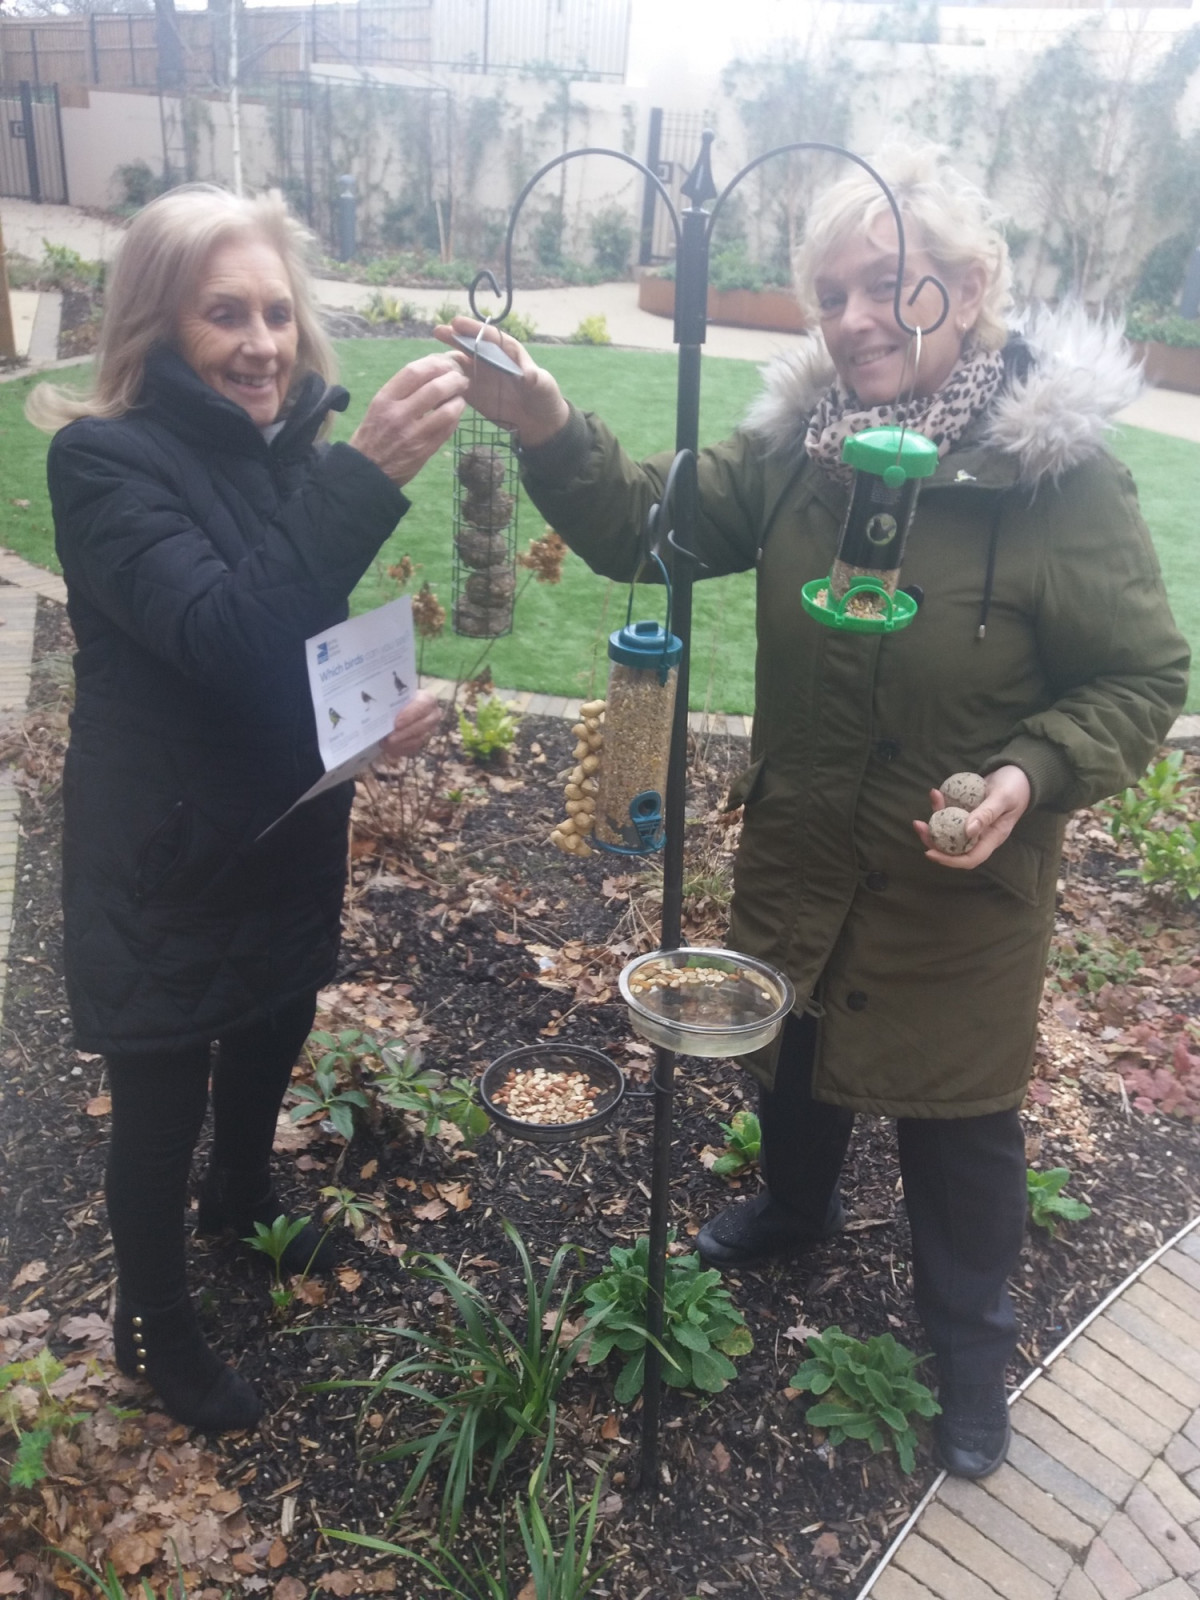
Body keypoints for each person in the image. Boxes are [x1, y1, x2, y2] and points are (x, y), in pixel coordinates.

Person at [438, 145, 1190, 1479]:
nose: (851, 318)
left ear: (965, 290)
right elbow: (644, 532)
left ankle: (968, 1345)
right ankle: (795, 1210)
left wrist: (1028, 774)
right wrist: (547, 420)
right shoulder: (802, 455)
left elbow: (1141, 674)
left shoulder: (1058, 482)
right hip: (804, 841)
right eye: (830, 292)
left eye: (884, 285)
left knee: (961, 1119)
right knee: (789, 1047)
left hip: (962, 878)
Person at [28, 185, 468, 1433]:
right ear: (157, 325)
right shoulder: (102, 462)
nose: (263, 343)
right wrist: (370, 472)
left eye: (277, 311)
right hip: (164, 848)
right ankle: (154, 1320)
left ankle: (241, 1199)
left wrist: (369, 717)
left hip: (280, 821)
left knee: (273, 1018)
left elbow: (292, 642)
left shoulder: (293, 458)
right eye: (226, 313)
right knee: (159, 1096)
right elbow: (221, 635)